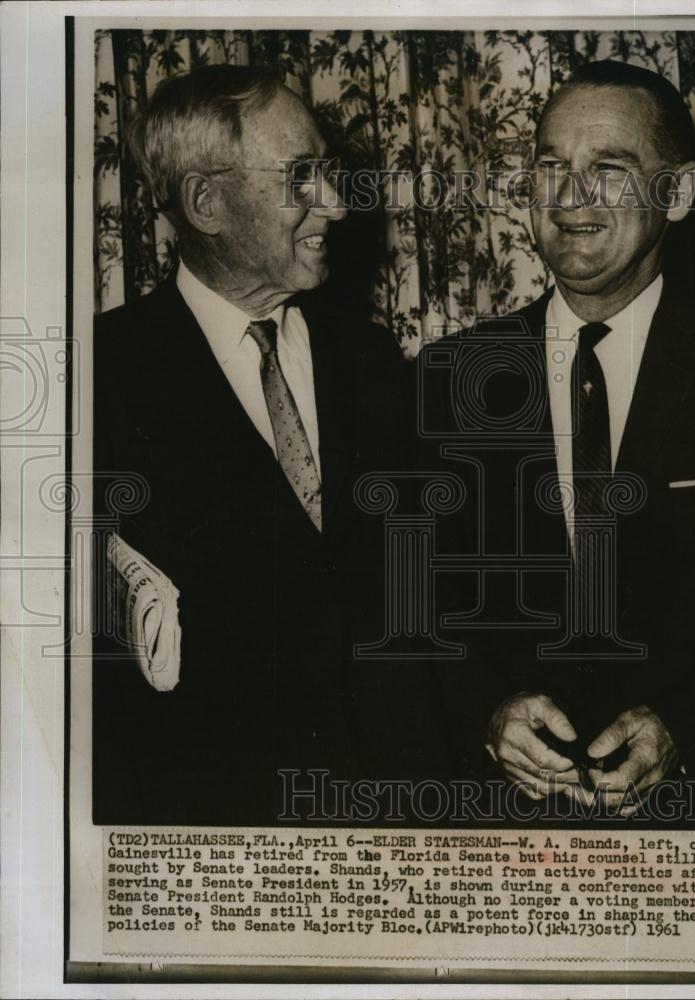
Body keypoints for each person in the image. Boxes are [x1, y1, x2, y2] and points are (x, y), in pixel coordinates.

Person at [92, 65, 443, 826]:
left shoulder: (372, 363)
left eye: (332, 173)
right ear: (206, 202)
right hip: (209, 838)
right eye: (302, 178)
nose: (339, 205)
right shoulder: (95, 380)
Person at [423, 60, 695, 820]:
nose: (569, 197)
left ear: (679, 191)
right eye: (549, 167)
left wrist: (688, 727)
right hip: (505, 836)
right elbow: (410, 602)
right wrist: (486, 715)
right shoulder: (448, 378)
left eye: (608, 168)